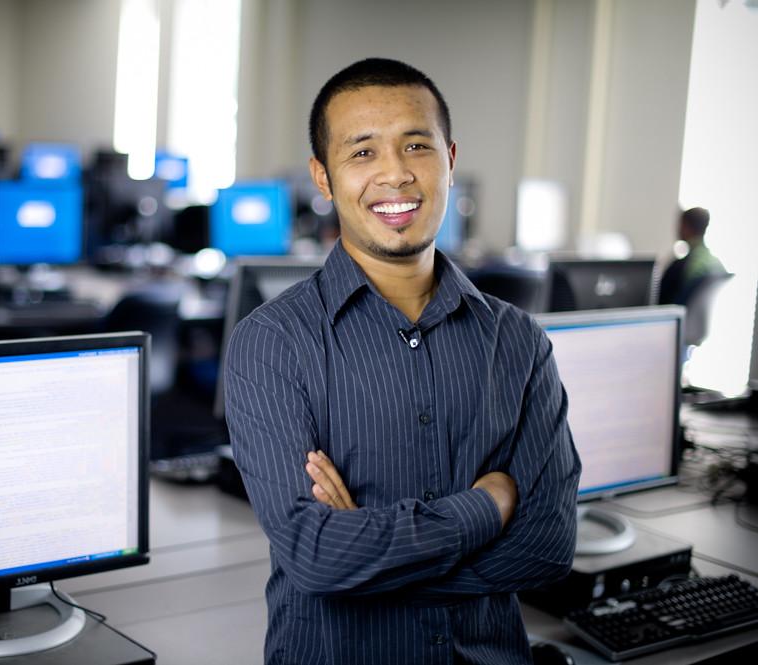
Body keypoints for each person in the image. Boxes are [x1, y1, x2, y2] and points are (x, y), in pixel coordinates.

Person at [223, 58, 581, 665]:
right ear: (323, 176)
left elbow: (545, 547)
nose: (395, 173)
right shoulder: (273, 341)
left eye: (416, 145)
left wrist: (365, 560)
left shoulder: (518, 340)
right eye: (362, 153)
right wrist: (487, 507)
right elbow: (315, 556)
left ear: (449, 160)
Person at [657, 206, 727, 306]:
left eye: (680, 224)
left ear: (686, 226)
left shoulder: (680, 266)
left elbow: (659, 300)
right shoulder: (716, 263)